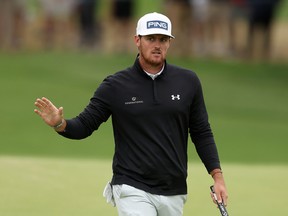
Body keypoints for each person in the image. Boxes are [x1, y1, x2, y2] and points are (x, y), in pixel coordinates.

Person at [34, 12, 228, 216]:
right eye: (150, 38)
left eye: (163, 39)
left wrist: (217, 177)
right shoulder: (115, 86)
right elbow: (85, 125)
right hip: (131, 186)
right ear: (137, 40)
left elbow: (201, 132)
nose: (157, 45)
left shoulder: (188, 82)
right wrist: (60, 123)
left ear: (169, 43)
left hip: (174, 189)